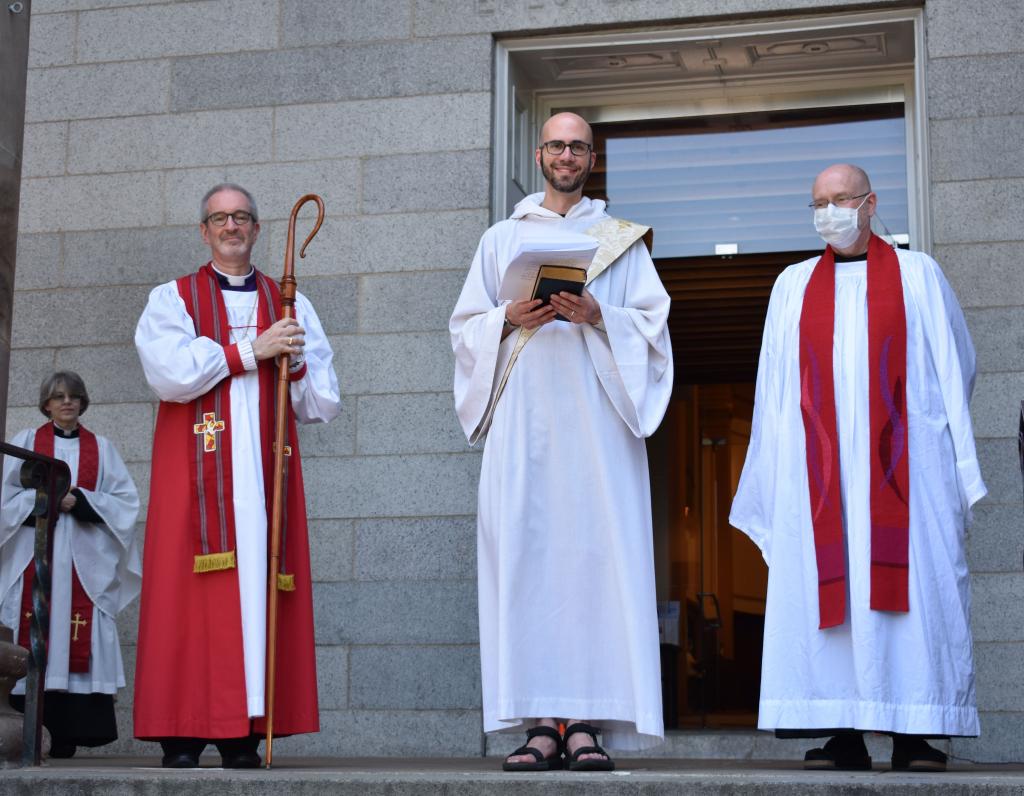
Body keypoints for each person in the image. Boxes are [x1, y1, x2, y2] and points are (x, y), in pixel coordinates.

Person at [729, 164, 986, 772]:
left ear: (870, 203)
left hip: (904, 469)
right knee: (829, 599)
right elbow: (772, 383)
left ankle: (915, 733)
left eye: (840, 199)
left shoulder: (919, 275)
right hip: (819, 475)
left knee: (913, 600)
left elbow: (958, 363)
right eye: (819, 201)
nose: (829, 211)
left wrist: (925, 438)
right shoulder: (792, 285)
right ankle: (839, 731)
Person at [450, 112, 673, 771]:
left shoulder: (620, 242)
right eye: (557, 145)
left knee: (592, 565)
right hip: (525, 424)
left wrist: (600, 314)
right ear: (540, 152)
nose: (567, 155)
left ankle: (584, 726)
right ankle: (541, 726)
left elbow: (654, 331)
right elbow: (464, 331)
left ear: (591, 158)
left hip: (596, 425)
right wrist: (506, 317)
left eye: (578, 147)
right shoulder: (502, 239)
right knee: (528, 561)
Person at [133, 184, 341, 768]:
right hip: (196, 483)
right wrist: (253, 350)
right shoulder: (171, 299)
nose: (231, 226)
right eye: (219, 218)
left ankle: (243, 732)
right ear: (204, 231)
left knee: (256, 593)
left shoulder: (289, 301)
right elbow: (169, 374)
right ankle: (182, 733)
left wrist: (295, 361)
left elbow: (322, 403)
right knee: (187, 596)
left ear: (256, 228)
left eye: (242, 217)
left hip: (266, 480)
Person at [0, 371, 140, 758]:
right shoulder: (26, 443)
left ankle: (68, 734)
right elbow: (4, 498)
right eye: (58, 396)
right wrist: (43, 501)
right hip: (35, 553)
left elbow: (126, 503)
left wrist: (80, 501)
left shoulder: (103, 449)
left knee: (74, 634)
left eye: (74, 396)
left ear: (83, 402)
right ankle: (22, 727)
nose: (67, 402)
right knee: (33, 629)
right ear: (46, 403)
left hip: (82, 563)